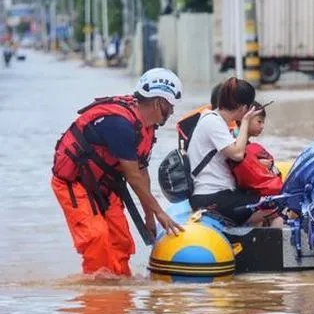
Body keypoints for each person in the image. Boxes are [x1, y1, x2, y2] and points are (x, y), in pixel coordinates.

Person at [51, 68, 185, 276]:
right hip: (74, 183)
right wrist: (160, 212)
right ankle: (98, 300)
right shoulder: (120, 125)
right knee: (97, 238)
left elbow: (142, 172)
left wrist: (149, 216)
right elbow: (132, 177)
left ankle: (120, 298)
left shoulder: (146, 127)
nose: (172, 112)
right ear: (159, 102)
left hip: (105, 184)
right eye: (170, 106)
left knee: (120, 240)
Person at [187, 76, 273, 226]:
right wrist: (245, 121)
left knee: (265, 200)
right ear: (245, 108)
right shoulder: (212, 121)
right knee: (274, 205)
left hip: (221, 194)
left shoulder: (217, 121)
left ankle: (242, 232)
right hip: (211, 196)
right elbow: (238, 154)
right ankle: (251, 239)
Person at [229, 101, 284, 197]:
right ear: (244, 118)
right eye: (259, 122)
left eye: (263, 122)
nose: (262, 126)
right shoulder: (233, 141)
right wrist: (257, 164)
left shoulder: (244, 142)